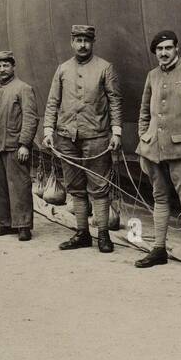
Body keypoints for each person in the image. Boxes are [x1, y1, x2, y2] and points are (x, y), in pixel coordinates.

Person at [133, 29, 181, 275]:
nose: (164, 53)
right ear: (155, 52)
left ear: (177, 48)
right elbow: (144, 112)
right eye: (160, 49)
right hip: (154, 149)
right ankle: (158, 250)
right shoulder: (152, 76)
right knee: (159, 198)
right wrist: (144, 137)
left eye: (168, 48)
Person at [42, 24, 122, 254]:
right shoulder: (63, 69)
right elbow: (52, 102)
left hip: (96, 136)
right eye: (78, 40)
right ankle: (82, 233)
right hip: (66, 137)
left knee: (99, 186)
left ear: (93, 42)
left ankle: (104, 235)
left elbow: (115, 101)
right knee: (75, 187)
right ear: (72, 42)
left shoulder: (105, 68)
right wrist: (48, 130)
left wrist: (116, 131)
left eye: (87, 40)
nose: (82, 44)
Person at [0, 50, 39, 242]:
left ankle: (23, 226)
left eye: (6, 65)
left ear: (13, 67)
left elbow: (30, 118)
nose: (2, 69)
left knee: (19, 186)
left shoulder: (24, 89)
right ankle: (4, 224)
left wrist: (24, 144)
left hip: (15, 146)